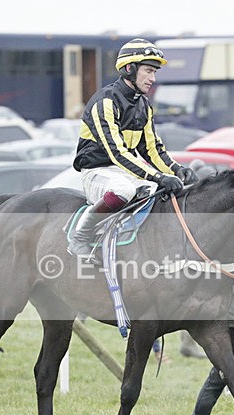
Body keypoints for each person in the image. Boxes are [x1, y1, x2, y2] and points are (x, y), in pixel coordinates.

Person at [68, 38, 197, 263]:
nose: (153, 79)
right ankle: (81, 236)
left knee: (159, 192)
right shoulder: (105, 102)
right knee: (125, 190)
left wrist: (177, 170)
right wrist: (158, 176)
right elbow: (116, 152)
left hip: (123, 172)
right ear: (130, 68)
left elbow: (152, 149)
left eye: (155, 72)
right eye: (148, 71)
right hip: (97, 172)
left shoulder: (143, 106)